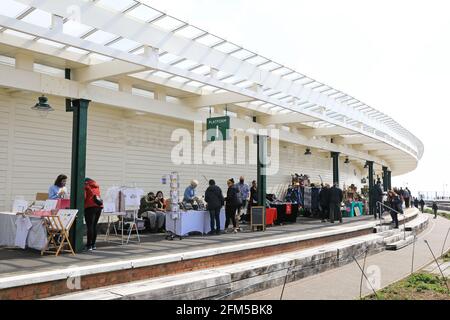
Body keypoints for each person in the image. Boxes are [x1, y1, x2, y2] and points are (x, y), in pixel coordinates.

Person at [84, 178, 103, 251]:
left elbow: (84, 197)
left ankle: (89, 245)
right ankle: (93, 244)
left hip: (90, 207)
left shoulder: (86, 186)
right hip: (99, 207)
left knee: (90, 226)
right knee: (94, 225)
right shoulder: (96, 186)